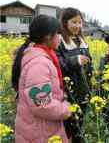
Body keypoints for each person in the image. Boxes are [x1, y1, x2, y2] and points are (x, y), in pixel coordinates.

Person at [12, 15, 71, 143]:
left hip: (40, 128)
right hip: (39, 133)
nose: (60, 38)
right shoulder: (39, 64)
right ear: (48, 37)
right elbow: (42, 105)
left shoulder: (41, 55)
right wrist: (66, 109)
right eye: (58, 34)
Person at [56, 7, 93, 142]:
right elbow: (57, 64)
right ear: (65, 22)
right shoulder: (59, 41)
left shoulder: (82, 41)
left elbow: (89, 64)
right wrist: (75, 61)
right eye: (74, 22)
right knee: (67, 127)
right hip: (67, 92)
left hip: (83, 91)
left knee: (79, 126)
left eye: (80, 22)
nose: (78, 25)